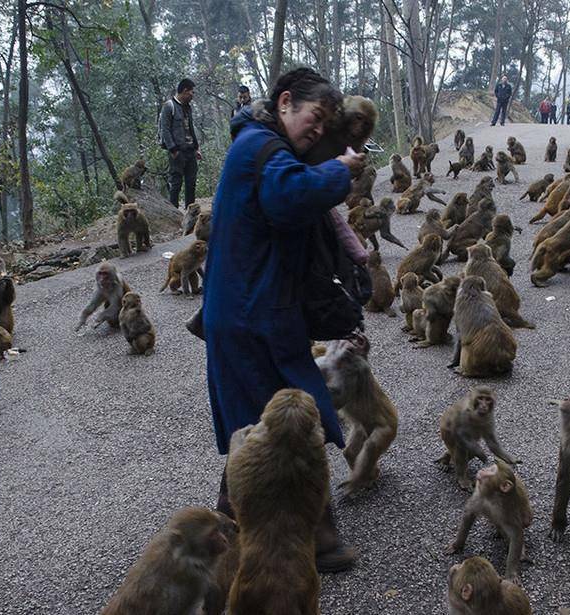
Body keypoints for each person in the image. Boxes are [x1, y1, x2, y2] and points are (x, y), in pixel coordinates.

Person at [203, 67, 366, 573]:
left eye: (323, 127)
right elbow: (288, 197)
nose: (314, 132)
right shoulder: (262, 149)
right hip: (251, 315)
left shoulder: (265, 145)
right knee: (295, 419)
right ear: (286, 102)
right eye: (312, 119)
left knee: (262, 423)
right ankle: (304, 534)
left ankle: (229, 531)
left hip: (252, 310)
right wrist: (341, 170)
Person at [157, 78, 201, 208]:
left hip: (190, 150)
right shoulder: (168, 106)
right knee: (176, 183)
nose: (193, 95)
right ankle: (174, 213)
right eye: (192, 92)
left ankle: (190, 212)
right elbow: (165, 130)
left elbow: (191, 128)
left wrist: (197, 147)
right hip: (177, 151)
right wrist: (173, 150)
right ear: (185, 91)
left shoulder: (188, 108)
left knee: (191, 182)